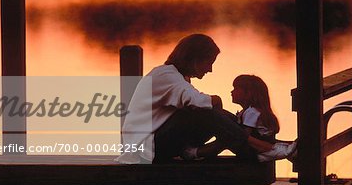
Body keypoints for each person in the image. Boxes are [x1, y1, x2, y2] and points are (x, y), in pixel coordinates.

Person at [116, 34, 293, 164]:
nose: (210, 69)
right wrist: (215, 100)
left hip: (156, 145)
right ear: (194, 59)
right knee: (206, 113)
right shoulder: (165, 75)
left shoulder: (177, 77)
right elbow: (197, 101)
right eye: (209, 62)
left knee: (217, 117)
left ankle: (269, 147)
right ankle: (264, 149)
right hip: (143, 150)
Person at [230, 75, 297, 162]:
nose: (231, 92)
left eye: (236, 88)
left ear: (248, 93)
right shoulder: (248, 112)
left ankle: (280, 151)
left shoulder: (251, 112)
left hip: (255, 151)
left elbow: (245, 135)